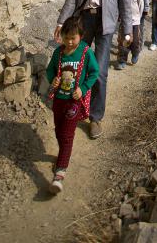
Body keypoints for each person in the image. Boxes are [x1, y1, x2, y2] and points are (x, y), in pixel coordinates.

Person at [54, 0, 132, 139]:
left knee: (99, 71)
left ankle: (95, 117)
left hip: (105, 24)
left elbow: (125, 3)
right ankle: (74, 106)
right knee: (76, 64)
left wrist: (127, 31)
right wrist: (62, 22)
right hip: (84, 21)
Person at [46, 15, 99, 193]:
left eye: (73, 38)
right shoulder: (58, 53)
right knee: (59, 130)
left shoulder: (85, 52)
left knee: (67, 135)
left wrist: (83, 89)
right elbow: (50, 70)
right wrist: (52, 80)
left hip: (74, 102)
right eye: (66, 37)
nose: (69, 41)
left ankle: (60, 172)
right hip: (59, 100)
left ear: (81, 36)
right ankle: (62, 156)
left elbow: (94, 72)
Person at [116, 0, 144, 69]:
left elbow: (141, 6)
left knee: (135, 41)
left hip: (135, 23)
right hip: (125, 23)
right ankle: (122, 61)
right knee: (124, 42)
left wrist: (137, 18)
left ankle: (135, 54)